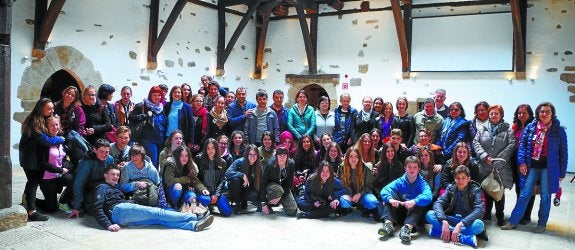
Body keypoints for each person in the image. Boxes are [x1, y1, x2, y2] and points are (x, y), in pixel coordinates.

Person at [502, 102, 567, 234]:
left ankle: (542, 224)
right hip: (531, 167)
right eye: (542, 111)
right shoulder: (531, 127)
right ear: (537, 113)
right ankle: (513, 221)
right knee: (524, 194)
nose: (544, 114)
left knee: (545, 196)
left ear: (552, 114)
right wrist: (522, 163)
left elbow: (563, 153)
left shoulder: (558, 130)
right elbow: (522, 148)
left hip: (549, 169)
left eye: (548, 111)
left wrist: (562, 172)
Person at [90, 165, 214, 232]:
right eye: (113, 174)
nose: (116, 177)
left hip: (121, 216)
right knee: (158, 213)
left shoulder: (116, 187)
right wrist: (107, 225)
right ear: (105, 175)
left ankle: (193, 225)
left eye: (117, 174)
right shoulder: (102, 187)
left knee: (157, 220)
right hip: (118, 210)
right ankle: (194, 216)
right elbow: (97, 207)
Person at [20, 98, 65, 221]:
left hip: (36, 157)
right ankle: (32, 212)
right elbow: (45, 141)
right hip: (30, 159)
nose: (52, 110)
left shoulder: (42, 119)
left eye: (52, 108)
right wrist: (61, 139)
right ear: (41, 109)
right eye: (49, 108)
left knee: (32, 182)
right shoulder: (34, 122)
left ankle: (27, 202)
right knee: (33, 182)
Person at [473, 104, 515, 226]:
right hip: (485, 164)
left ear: (501, 114)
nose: (493, 115)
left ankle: (500, 216)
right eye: (491, 113)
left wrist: (499, 159)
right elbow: (476, 142)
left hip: (500, 165)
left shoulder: (508, 129)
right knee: (486, 188)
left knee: (499, 191)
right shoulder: (482, 128)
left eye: (496, 113)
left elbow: (512, 144)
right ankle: (487, 213)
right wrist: (485, 156)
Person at [426, 165, 485, 248]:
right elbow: (438, 203)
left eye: (463, 178)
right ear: (454, 178)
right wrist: (444, 221)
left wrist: (461, 224)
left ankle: (443, 233)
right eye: (458, 178)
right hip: (451, 218)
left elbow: (479, 210)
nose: (460, 181)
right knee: (429, 214)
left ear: (468, 179)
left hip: (466, 221)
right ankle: (462, 238)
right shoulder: (451, 188)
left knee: (479, 225)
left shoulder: (475, 190)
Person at [377, 156, 433, 243]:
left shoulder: (422, 183)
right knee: (391, 197)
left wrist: (414, 201)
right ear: (405, 168)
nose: (412, 169)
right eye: (409, 167)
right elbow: (385, 190)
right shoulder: (400, 181)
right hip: (400, 214)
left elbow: (428, 196)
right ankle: (388, 225)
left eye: (415, 167)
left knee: (420, 202)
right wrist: (390, 199)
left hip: (414, 217)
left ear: (418, 169)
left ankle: (406, 229)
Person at [69, 139, 115, 218]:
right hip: (87, 188)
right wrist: (76, 207)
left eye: (106, 152)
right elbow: (79, 184)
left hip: (102, 186)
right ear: (95, 150)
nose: (104, 154)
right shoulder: (86, 162)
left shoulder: (110, 159)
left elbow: (112, 177)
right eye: (101, 151)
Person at [37, 115, 74, 213]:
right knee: (52, 208)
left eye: (57, 125)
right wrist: (60, 170)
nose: (55, 127)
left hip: (58, 175)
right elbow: (43, 164)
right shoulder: (44, 143)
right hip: (47, 178)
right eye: (52, 126)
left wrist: (67, 166)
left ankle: (63, 201)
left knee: (73, 180)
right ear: (47, 127)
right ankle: (30, 200)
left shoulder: (60, 140)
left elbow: (63, 158)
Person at [129, 86, 167, 167]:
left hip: (160, 140)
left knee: (158, 164)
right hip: (148, 140)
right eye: (154, 95)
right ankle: (150, 179)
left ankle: (154, 179)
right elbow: (131, 117)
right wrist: (145, 115)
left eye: (159, 95)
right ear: (150, 95)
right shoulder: (142, 106)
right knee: (152, 163)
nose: (157, 97)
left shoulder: (161, 108)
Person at [510, 104, 535, 225]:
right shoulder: (515, 127)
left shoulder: (534, 128)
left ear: (530, 114)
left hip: (528, 163)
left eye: (524, 113)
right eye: (519, 113)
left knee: (528, 190)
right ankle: (519, 213)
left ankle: (526, 216)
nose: (521, 115)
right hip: (515, 162)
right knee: (519, 189)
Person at [194, 139, 232, 216]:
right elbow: (195, 178)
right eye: (208, 148)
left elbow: (222, 180)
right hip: (203, 190)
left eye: (213, 148)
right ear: (205, 149)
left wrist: (216, 195)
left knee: (228, 212)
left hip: (215, 191)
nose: (210, 150)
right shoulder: (199, 159)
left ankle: (209, 206)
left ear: (216, 148)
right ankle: (204, 206)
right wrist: (202, 189)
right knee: (206, 200)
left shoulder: (222, 162)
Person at [338, 147, 378, 217]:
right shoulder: (342, 167)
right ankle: (348, 207)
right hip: (347, 194)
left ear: (359, 158)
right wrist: (348, 194)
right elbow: (340, 184)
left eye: (356, 156)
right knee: (344, 202)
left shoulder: (366, 168)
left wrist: (359, 194)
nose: (353, 159)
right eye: (351, 156)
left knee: (372, 202)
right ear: (347, 157)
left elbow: (369, 186)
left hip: (362, 194)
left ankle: (363, 207)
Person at [259, 147, 297, 216]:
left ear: (287, 156)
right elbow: (263, 183)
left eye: (284, 155)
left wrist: (280, 197)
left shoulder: (291, 164)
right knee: (278, 190)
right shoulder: (270, 165)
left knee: (292, 211)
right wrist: (263, 203)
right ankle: (267, 203)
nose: (282, 158)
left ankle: (278, 201)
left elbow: (289, 183)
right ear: (276, 156)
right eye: (280, 155)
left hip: (284, 188)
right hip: (272, 187)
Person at [162, 145, 203, 210]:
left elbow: (193, 179)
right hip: (170, 191)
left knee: (192, 196)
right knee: (178, 186)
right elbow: (169, 181)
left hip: (185, 190)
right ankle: (173, 207)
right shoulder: (171, 163)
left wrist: (198, 187)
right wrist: (186, 179)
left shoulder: (190, 165)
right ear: (178, 156)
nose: (184, 158)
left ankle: (183, 209)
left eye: (186, 155)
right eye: (182, 155)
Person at [225, 144, 262, 214]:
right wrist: (242, 175)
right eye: (250, 154)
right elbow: (227, 173)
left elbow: (260, 184)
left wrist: (260, 203)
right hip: (235, 189)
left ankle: (244, 201)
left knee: (253, 195)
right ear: (246, 154)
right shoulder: (240, 161)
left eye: (255, 154)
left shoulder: (259, 166)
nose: (252, 157)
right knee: (236, 180)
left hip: (247, 189)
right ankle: (237, 206)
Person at [373, 143, 404, 220]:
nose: (390, 153)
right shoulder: (379, 166)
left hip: (394, 195)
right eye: (387, 151)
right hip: (382, 195)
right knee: (380, 216)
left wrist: (390, 198)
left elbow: (400, 184)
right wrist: (383, 198)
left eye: (392, 151)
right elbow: (376, 186)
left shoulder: (399, 165)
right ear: (384, 153)